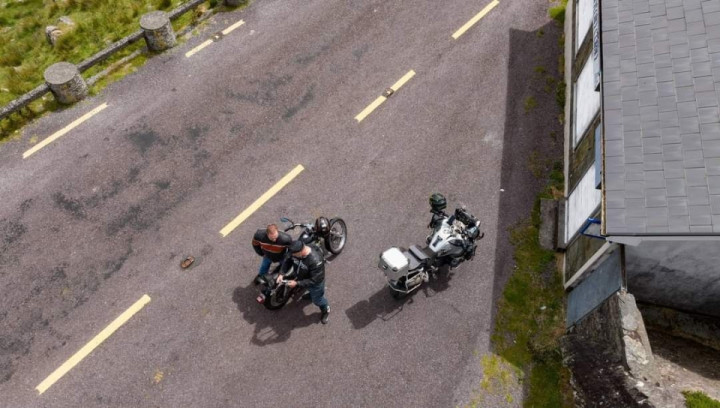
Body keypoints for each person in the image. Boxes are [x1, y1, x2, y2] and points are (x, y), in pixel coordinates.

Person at [277, 240, 330, 324]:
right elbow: (288, 259)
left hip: (315, 284)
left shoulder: (315, 261)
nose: (292, 255)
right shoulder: (296, 251)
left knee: (317, 300)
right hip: (303, 277)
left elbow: (315, 280)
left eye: (294, 254)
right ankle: (311, 295)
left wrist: (297, 283)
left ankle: (325, 308)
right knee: (309, 290)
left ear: (301, 252)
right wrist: (281, 274)